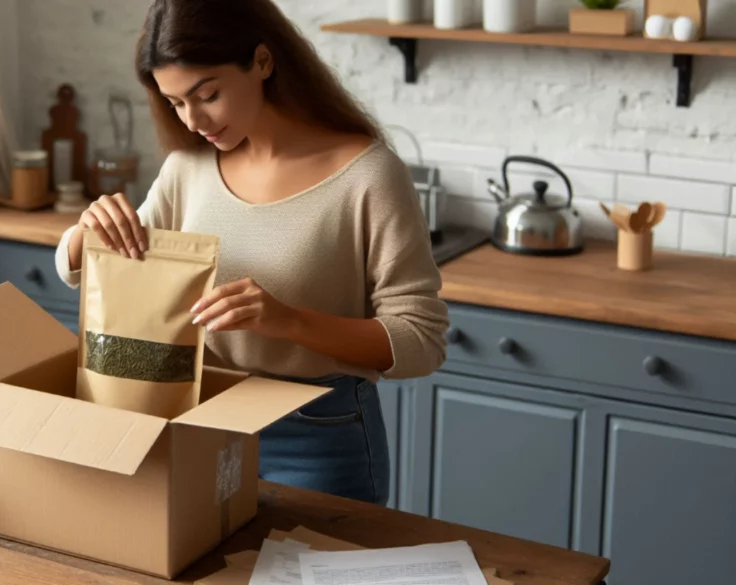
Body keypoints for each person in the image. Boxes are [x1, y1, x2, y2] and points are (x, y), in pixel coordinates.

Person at [54, 0, 449, 506]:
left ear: (262, 61)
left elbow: (422, 340)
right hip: (201, 421)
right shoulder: (187, 168)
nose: (193, 120)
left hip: (319, 434)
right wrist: (85, 233)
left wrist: (288, 321)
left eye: (208, 94)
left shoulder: (369, 176)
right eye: (175, 103)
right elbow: (93, 266)